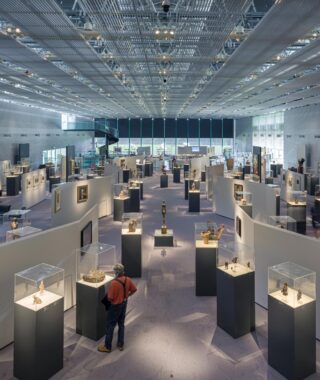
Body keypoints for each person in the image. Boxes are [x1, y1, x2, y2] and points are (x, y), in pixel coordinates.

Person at [98, 263, 137, 353]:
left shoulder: (114, 283)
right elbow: (134, 289)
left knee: (110, 326)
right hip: (124, 303)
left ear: (116, 272)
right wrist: (127, 296)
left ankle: (107, 347)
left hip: (115, 306)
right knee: (121, 324)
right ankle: (120, 344)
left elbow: (110, 298)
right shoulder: (128, 279)